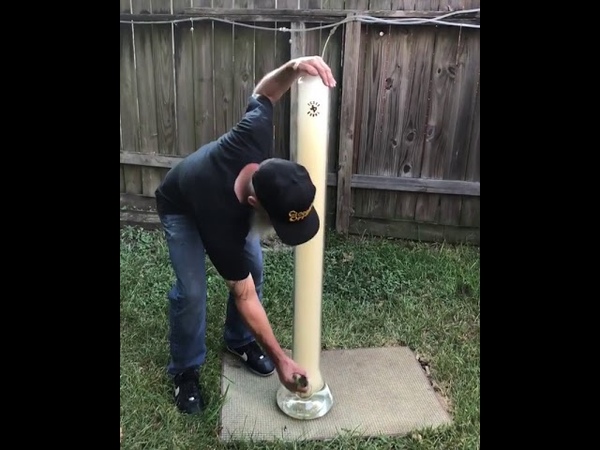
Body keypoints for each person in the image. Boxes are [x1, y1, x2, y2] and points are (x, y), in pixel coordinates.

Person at [154, 55, 337, 414]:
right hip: (181, 206)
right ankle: (185, 371)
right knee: (192, 292)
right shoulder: (223, 223)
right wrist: (282, 358)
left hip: (217, 196)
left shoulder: (254, 134)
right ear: (255, 204)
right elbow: (244, 294)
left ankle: (238, 340)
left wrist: (293, 67)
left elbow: (265, 93)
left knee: (255, 267)